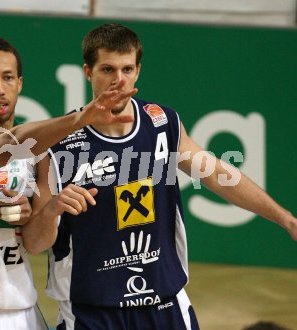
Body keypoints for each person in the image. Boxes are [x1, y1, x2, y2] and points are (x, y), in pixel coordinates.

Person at [20, 23, 297, 329]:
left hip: (164, 307)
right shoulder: (58, 145)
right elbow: (34, 243)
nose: (118, 81)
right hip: (92, 313)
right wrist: (52, 208)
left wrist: (285, 219)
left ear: (138, 71)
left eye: (127, 69)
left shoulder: (162, 123)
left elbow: (219, 175)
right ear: (89, 72)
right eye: (108, 70)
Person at [0, 36, 137, 330]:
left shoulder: (39, 155)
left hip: (23, 306)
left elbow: (37, 243)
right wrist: (79, 119)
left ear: (20, 83)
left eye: (7, 77)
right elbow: (5, 147)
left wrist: (50, 211)